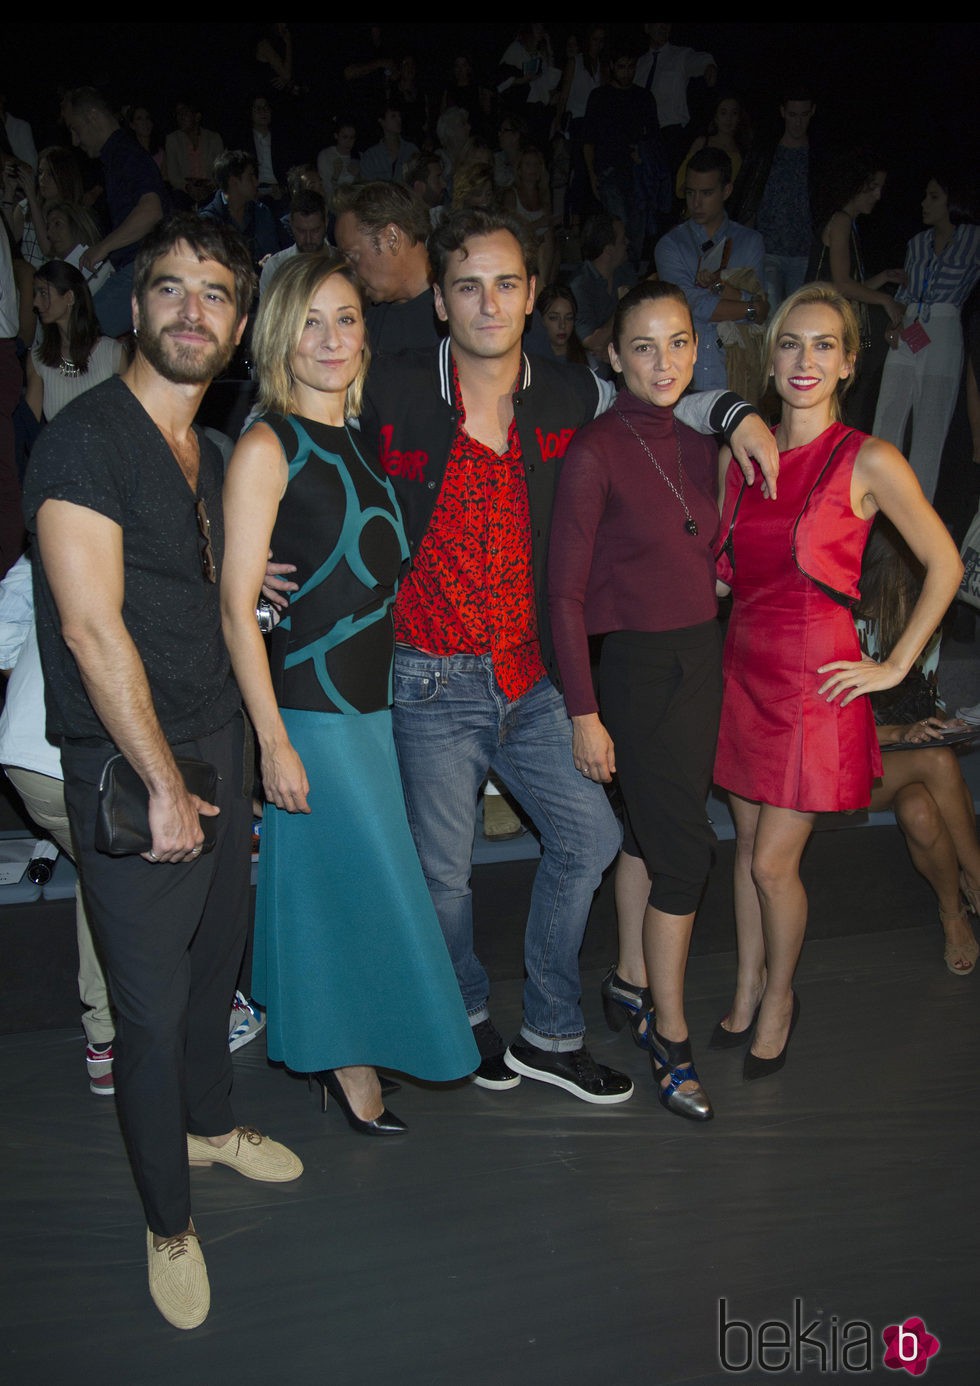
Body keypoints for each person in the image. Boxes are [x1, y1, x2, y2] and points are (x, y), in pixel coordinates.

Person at [321, 206, 780, 1102]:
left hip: (531, 674)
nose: (488, 304)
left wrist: (735, 411)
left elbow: (662, 389)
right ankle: (463, 1014)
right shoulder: (396, 386)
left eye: (505, 284)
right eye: (467, 287)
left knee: (592, 835)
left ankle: (547, 1028)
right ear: (442, 304)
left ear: (532, 296)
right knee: (444, 879)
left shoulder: (571, 391)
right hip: (427, 677)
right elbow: (304, 430)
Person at [23, 214, 303, 1331]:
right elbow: (93, 632)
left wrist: (245, 588)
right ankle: (168, 1221)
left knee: (214, 973)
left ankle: (212, 1122)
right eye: (173, 290)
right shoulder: (86, 439)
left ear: (237, 328)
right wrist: (153, 780)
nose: (194, 311)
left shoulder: (220, 448)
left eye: (217, 295)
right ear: (135, 310)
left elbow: (199, 592)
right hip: (137, 765)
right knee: (145, 1011)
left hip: (221, 740)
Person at [220, 253, 479, 1132]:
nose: (331, 339)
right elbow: (234, 606)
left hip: (371, 707)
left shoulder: (360, 441)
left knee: (345, 890)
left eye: (346, 319)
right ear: (278, 338)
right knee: (373, 886)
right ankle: (349, 1064)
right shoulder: (268, 443)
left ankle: (343, 1051)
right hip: (311, 712)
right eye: (310, 321)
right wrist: (272, 741)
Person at [711, 284, 964, 1079]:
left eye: (824, 345)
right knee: (747, 846)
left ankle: (781, 995)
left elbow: (946, 564)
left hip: (813, 680)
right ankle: (748, 985)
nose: (805, 360)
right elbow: (719, 580)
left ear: (850, 363)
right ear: (770, 356)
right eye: (791, 343)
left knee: (771, 865)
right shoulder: (738, 457)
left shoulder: (869, 459)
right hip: (742, 669)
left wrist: (892, 665)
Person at [548, 280, 728, 1122]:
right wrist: (583, 712)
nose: (666, 362)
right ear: (614, 357)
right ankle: (671, 1030)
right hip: (634, 672)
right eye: (645, 347)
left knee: (650, 833)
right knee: (688, 857)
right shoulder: (597, 449)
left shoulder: (696, 438)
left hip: (700, 656)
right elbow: (564, 597)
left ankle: (626, 979)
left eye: (681, 342)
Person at [855, 518, 980, 975]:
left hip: (909, 763)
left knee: (921, 811)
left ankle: (953, 917)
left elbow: (927, 694)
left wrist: (946, 723)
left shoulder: (923, 623)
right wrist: (900, 735)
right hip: (853, 767)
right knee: (937, 759)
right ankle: (978, 879)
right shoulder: (845, 623)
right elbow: (835, 726)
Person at [872, 173, 980, 503]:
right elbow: (904, 293)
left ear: (952, 200)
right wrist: (894, 324)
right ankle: (872, 501)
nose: (924, 204)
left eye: (933, 196)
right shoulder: (916, 244)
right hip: (910, 327)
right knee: (887, 415)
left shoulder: (974, 238)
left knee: (930, 430)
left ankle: (915, 519)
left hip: (945, 329)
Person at [807, 148, 906, 431]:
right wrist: (886, 299)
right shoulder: (841, 220)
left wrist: (884, 277)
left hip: (827, 316)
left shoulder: (848, 224)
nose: (877, 195)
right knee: (839, 398)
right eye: (873, 187)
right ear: (856, 186)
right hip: (820, 318)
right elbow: (840, 284)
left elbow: (851, 285)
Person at [655, 147, 768, 394]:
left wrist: (724, 291)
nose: (696, 203)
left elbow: (764, 310)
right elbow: (688, 304)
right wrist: (748, 306)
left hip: (737, 375)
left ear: (726, 191)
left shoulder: (749, 241)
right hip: (685, 381)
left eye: (706, 193)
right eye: (690, 193)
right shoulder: (670, 245)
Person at [61, 87, 167, 337]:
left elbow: (152, 210)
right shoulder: (116, 156)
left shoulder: (125, 153)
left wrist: (103, 247)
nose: (75, 141)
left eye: (75, 129)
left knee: (82, 332)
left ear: (94, 116)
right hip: (144, 267)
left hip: (146, 267)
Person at [26, 260, 125, 422]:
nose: (35, 302)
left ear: (69, 297)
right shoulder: (38, 360)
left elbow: (129, 421)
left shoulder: (112, 353)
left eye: (43, 293)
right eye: (35, 294)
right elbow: (29, 429)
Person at [536, 282, 587, 365]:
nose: (562, 325)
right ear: (540, 319)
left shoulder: (586, 360)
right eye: (554, 318)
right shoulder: (530, 357)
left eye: (569, 318)